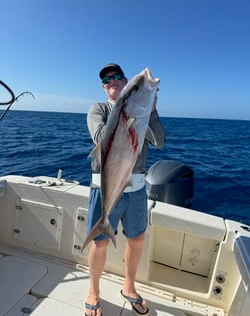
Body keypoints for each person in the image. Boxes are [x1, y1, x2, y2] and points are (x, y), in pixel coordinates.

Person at [85, 63, 165, 316]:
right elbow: (100, 138)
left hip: (137, 188)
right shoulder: (97, 109)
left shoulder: (142, 113)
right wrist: (125, 109)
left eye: (117, 77)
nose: (112, 81)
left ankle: (129, 287)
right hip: (105, 186)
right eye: (107, 79)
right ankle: (93, 292)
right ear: (103, 86)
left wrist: (149, 110)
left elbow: (159, 141)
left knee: (137, 239)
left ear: (125, 81)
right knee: (100, 243)